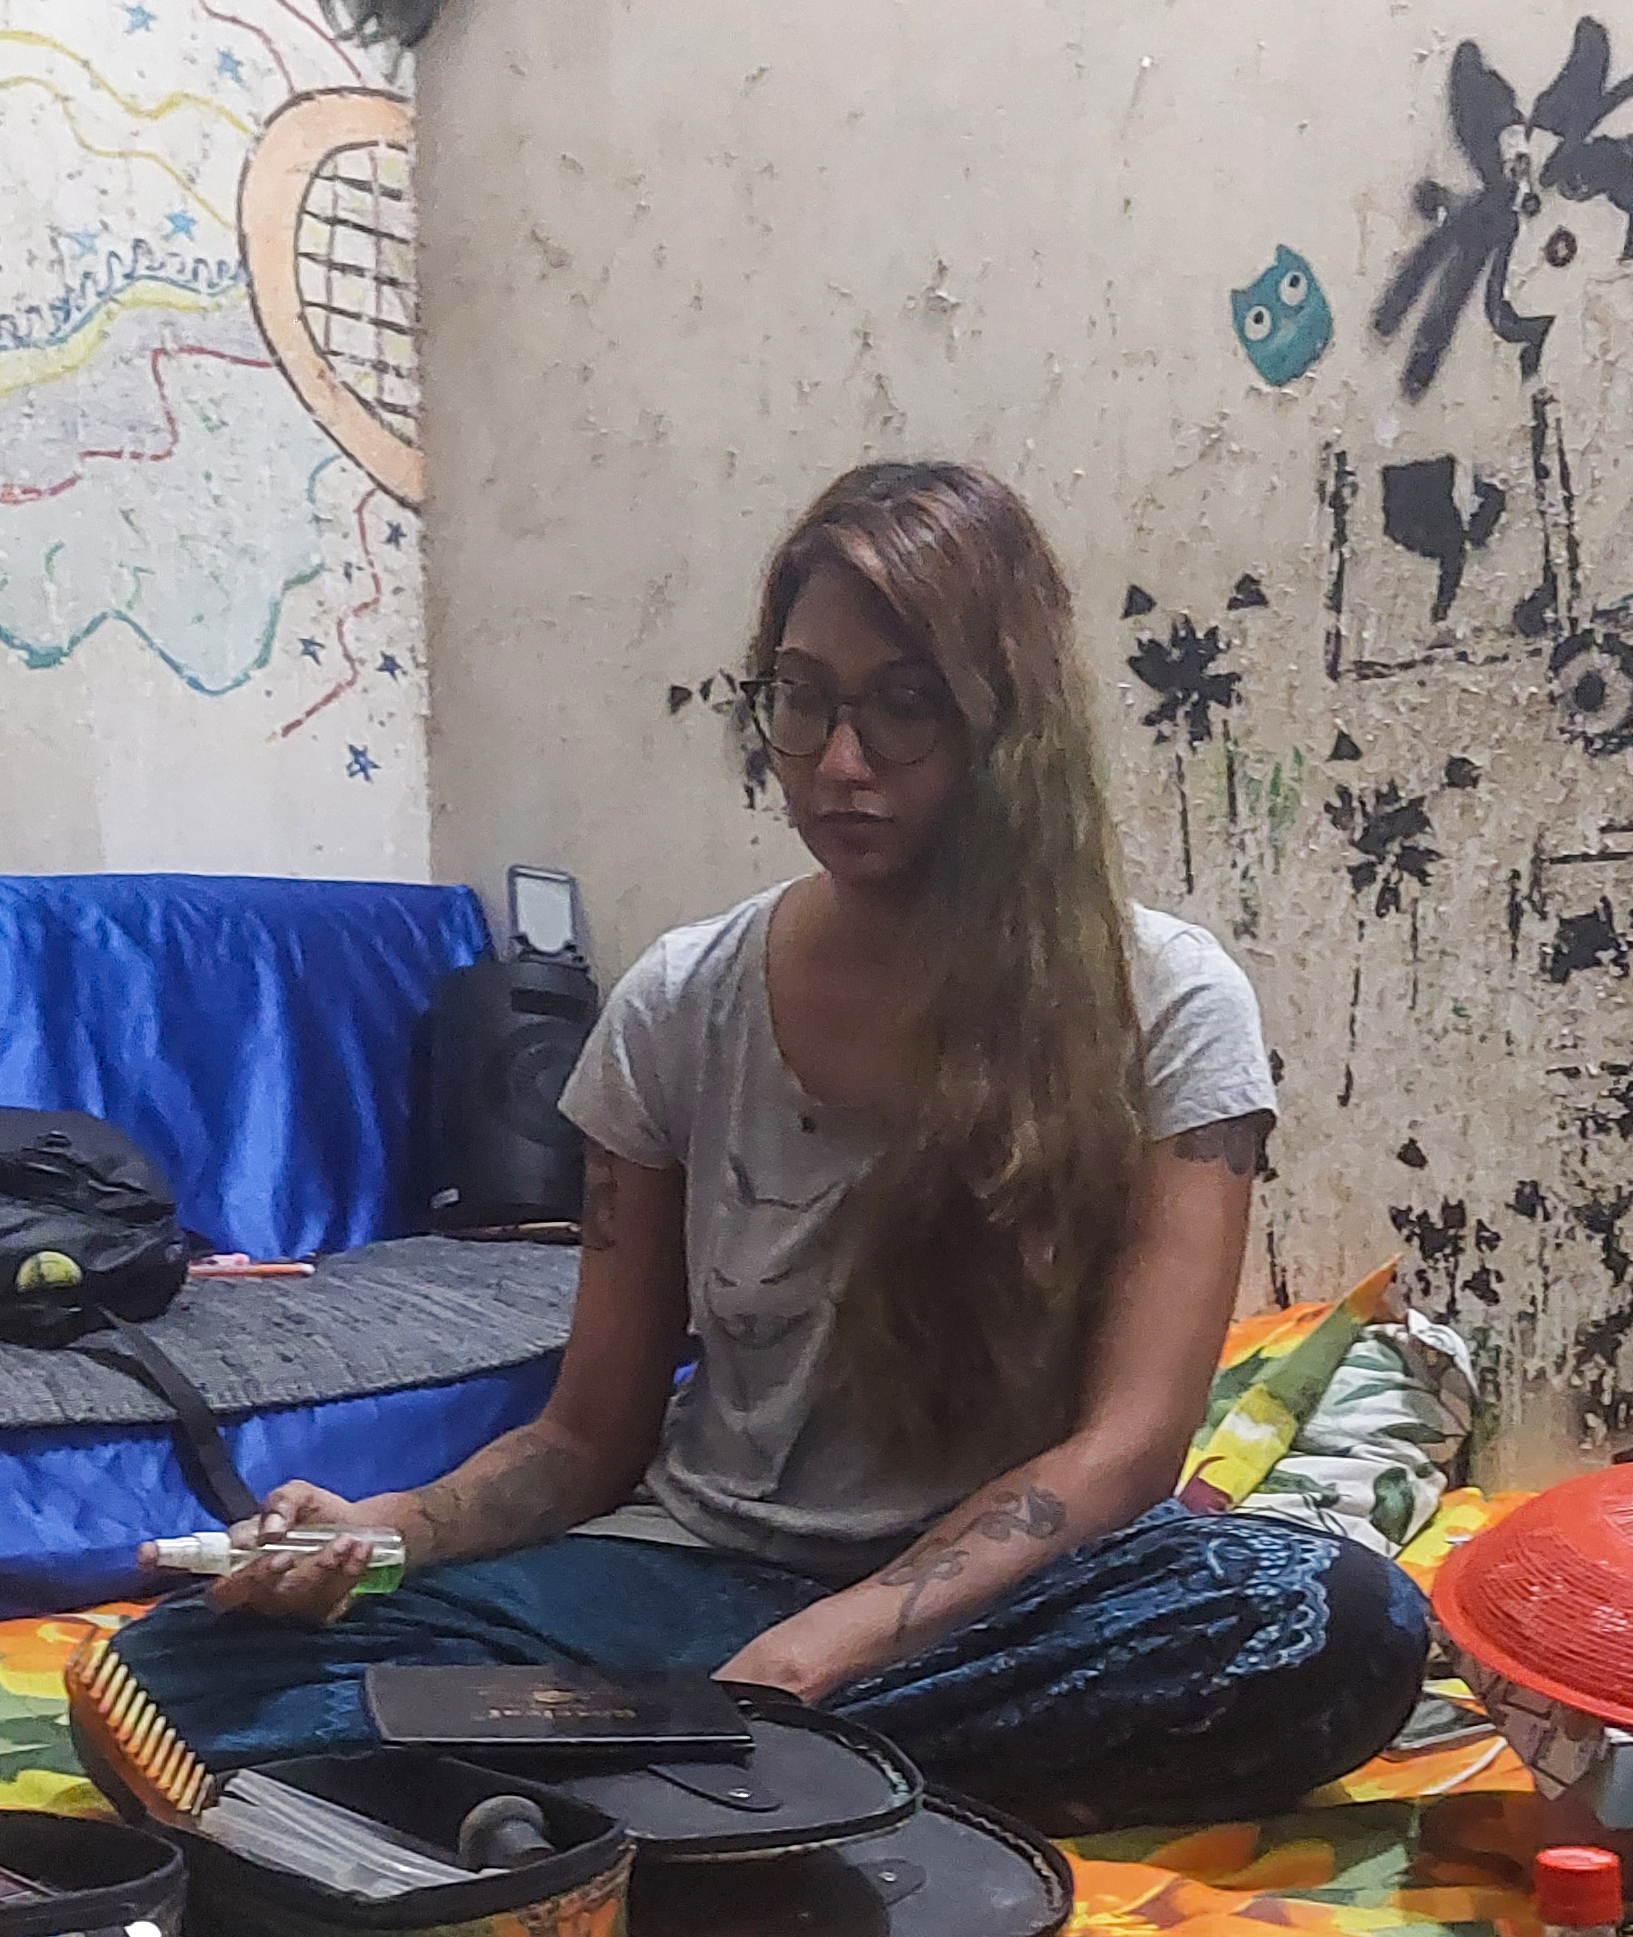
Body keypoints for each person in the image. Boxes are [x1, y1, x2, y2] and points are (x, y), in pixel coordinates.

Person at [114, 460, 1430, 1835]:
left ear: (1006, 723)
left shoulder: (1165, 1002)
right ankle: (746, 1781)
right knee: (187, 1670)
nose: (840, 763)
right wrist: (391, 1528)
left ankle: (661, 1779)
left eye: (904, 707)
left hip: (1002, 1601)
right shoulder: (680, 1002)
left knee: (1333, 1618)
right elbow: (584, 1440)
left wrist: (835, 1647)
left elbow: (1128, 1450)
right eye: (804, 699)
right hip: (697, 1583)